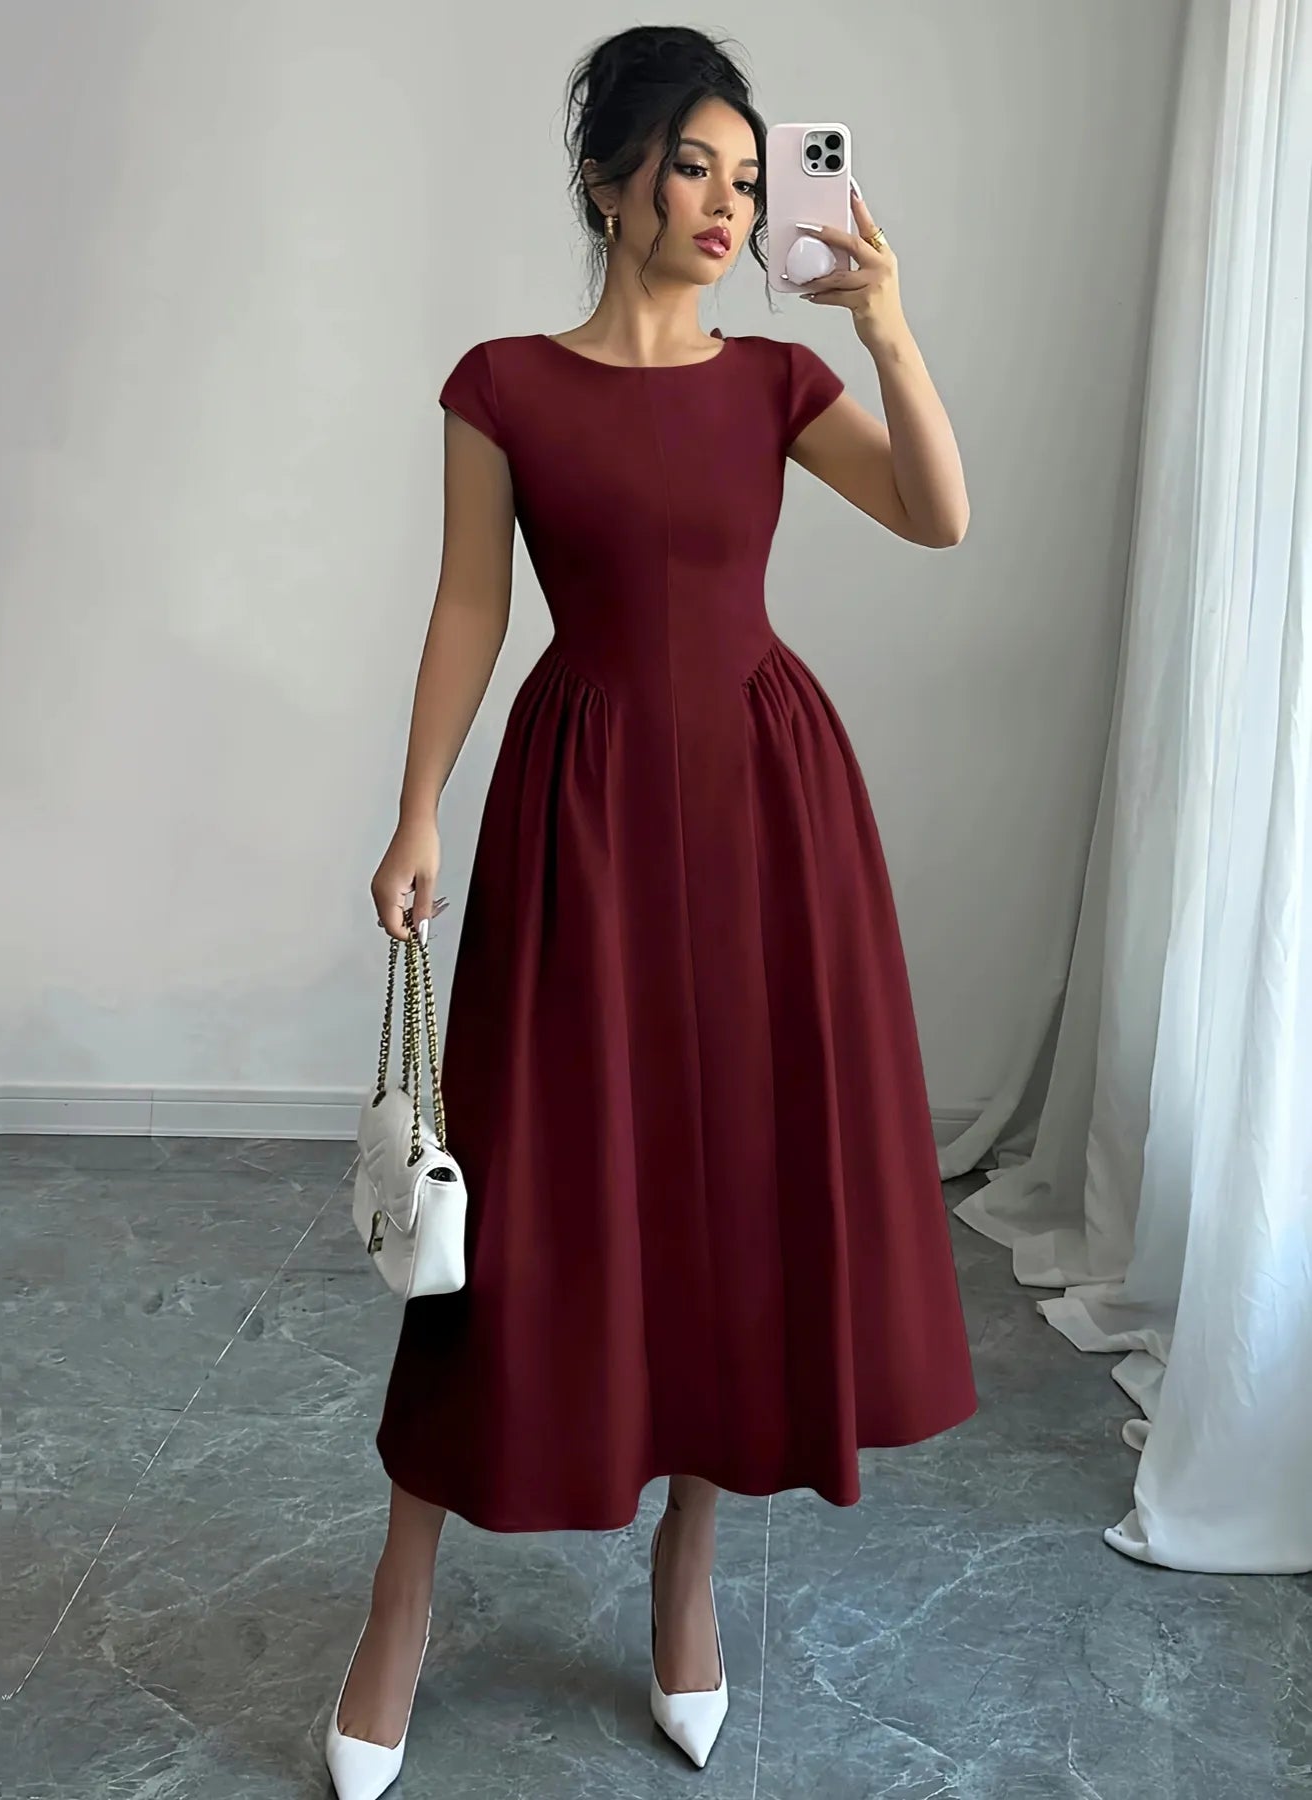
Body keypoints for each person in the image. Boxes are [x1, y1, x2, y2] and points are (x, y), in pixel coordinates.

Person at [324, 23, 977, 1799]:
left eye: (752, 180)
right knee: (525, 1204)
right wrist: (415, 812)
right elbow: (471, 609)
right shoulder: (502, 387)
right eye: (696, 166)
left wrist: (883, 326)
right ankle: (401, 1608)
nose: (728, 205)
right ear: (610, 174)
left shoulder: (773, 385)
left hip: (772, 814)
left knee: (731, 1187)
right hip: (581, 810)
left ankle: (689, 1570)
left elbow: (939, 513)